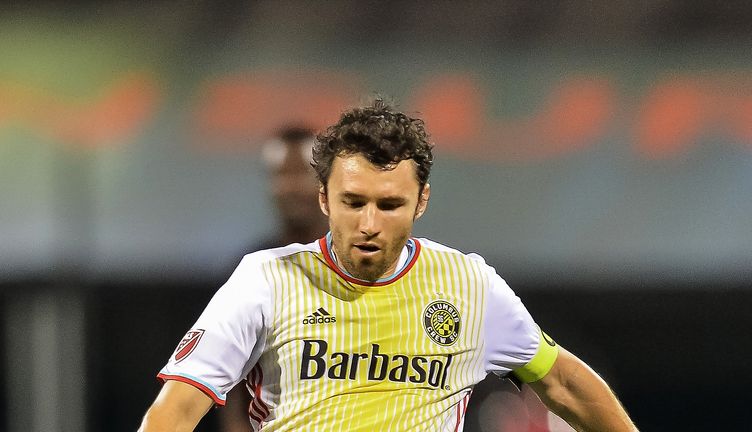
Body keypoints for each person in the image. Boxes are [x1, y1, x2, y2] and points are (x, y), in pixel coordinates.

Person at [138, 99, 637, 431]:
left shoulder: (469, 285)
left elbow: (564, 382)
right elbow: (179, 407)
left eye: (389, 204)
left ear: (421, 202)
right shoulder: (264, 280)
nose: (370, 223)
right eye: (353, 202)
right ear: (324, 198)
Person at [216, 125, 329, 432]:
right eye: (280, 175)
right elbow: (229, 382)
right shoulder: (252, 270)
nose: (291, 187)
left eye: (302, 173)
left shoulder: (358, 261)